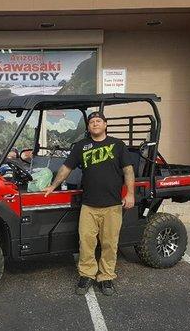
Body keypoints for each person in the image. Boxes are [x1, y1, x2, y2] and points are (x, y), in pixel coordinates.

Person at [44, 111, 134, 296]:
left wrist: (131, 194)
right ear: (88, 127)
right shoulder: (80, 146)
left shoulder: (117, 145)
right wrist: (53, 185)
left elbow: (128, 171)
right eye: (91, 122)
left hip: (112, 205)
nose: (95, 124)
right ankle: (87, 275)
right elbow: (66, 168)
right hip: (89, 206)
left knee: (110, 244)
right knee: (86, 243)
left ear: (105, 125)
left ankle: (106, 277)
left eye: (98, 121)